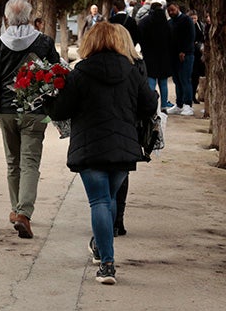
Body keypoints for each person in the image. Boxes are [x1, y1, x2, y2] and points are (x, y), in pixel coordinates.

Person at [47, 22, 156, 285]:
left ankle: (107, 264)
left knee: (99, 202)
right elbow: (149, 106)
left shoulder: (80, 73)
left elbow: (61, 111)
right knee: (108, 199)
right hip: (123, 149)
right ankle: (100, 245)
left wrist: (50, 96)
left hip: (90, 148)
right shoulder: (131, 72)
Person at [0, 0, 60, 239]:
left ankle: (17, 208)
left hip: (7, 111)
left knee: (13, 162)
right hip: (35, 111)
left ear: (7, 19)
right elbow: (57, 74)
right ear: (29, 17)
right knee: (30, 163)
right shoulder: (44, 42)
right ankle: (24, 213)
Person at [111, 24, 150, 237]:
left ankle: (110, 218)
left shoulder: (98, 62)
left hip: (106, 125)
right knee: (121, 174)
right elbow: (147, 99)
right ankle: (118, 220)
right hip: (130, 126)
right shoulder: (138, 64)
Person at [137, 0, 175, 111]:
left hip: (149, 56)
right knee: (163, 83)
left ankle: (150, 104)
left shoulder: (145, 22)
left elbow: (140, 37)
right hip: (164, 57)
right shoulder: (166, 23)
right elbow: (171, 40)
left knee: (151, 81)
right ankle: (164, 105)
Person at [167, 1, 196, 116]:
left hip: (186, 55)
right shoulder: (170, 22)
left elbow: (190, 37)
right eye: (169, 11)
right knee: (177, 81)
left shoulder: (186, 20)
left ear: (177, 8)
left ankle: (187, 104)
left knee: (185, 79)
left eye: (172, 10)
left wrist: (184, 50)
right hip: (174, 56)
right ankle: (179, 104)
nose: (171, 12)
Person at [188, 10, 206, 101]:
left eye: (195, 18)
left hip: (199, 54)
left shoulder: (200, 25)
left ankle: (194, 95)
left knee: (197, 76)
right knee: (192, 76)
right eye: (192, 18)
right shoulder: (188, 26)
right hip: (192, 53)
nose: (194, 20)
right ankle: (191, 96)